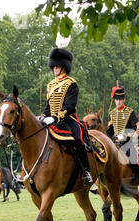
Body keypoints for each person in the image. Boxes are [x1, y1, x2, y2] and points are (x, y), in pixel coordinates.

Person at [40, 47, 93, 186]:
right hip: (51, 120)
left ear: (64, 66)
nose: (55, 68)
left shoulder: (71, 84)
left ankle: (86, 171)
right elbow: (48, 105)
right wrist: (44, 116)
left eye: (58, 65)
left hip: (68, 120)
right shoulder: (50, 85)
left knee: (78, 139)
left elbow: (69, 106)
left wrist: (55, 118)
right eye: (54, 65)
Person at [106, 85, 139, 194]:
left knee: (135, 161)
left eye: (120, 99)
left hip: (127, 143)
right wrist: (109, 138)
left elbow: (135, 128)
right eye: (116, 100)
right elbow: (109, 130)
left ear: (124, 99)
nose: (118, 102)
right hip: (115, 143)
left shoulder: (130, 112)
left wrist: (125, 135)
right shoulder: (112, 113)